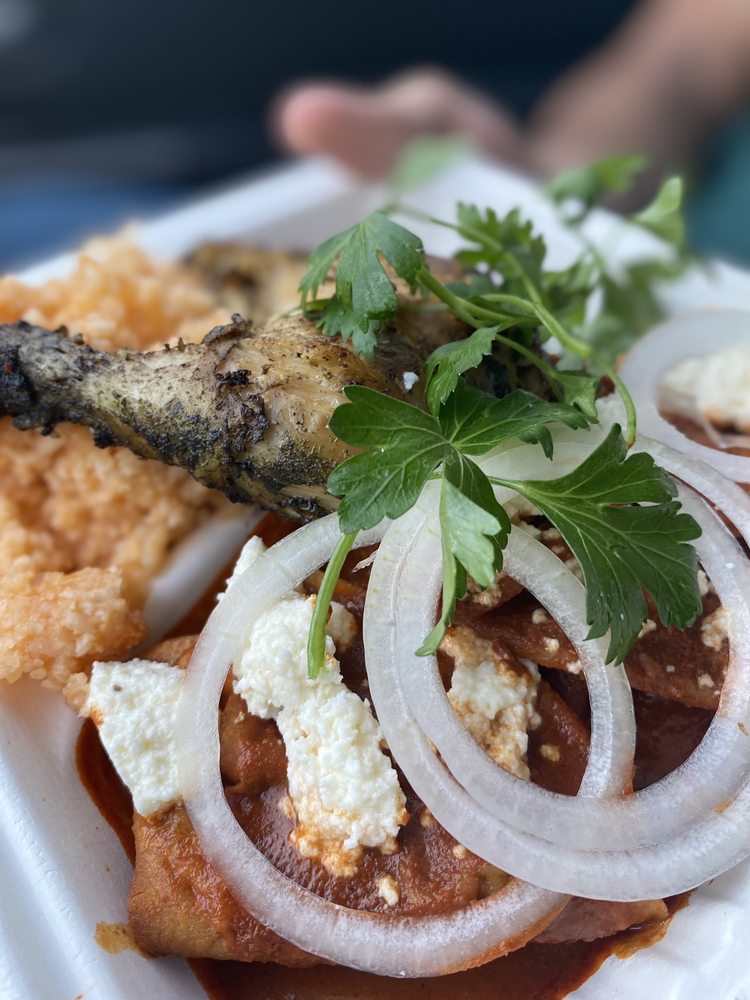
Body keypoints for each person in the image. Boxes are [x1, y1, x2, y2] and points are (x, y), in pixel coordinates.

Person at [2, 0, 750, 264]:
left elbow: (690, 43)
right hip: (43, 169)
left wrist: (547, 190)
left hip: (395, 187)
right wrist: (558, 174)